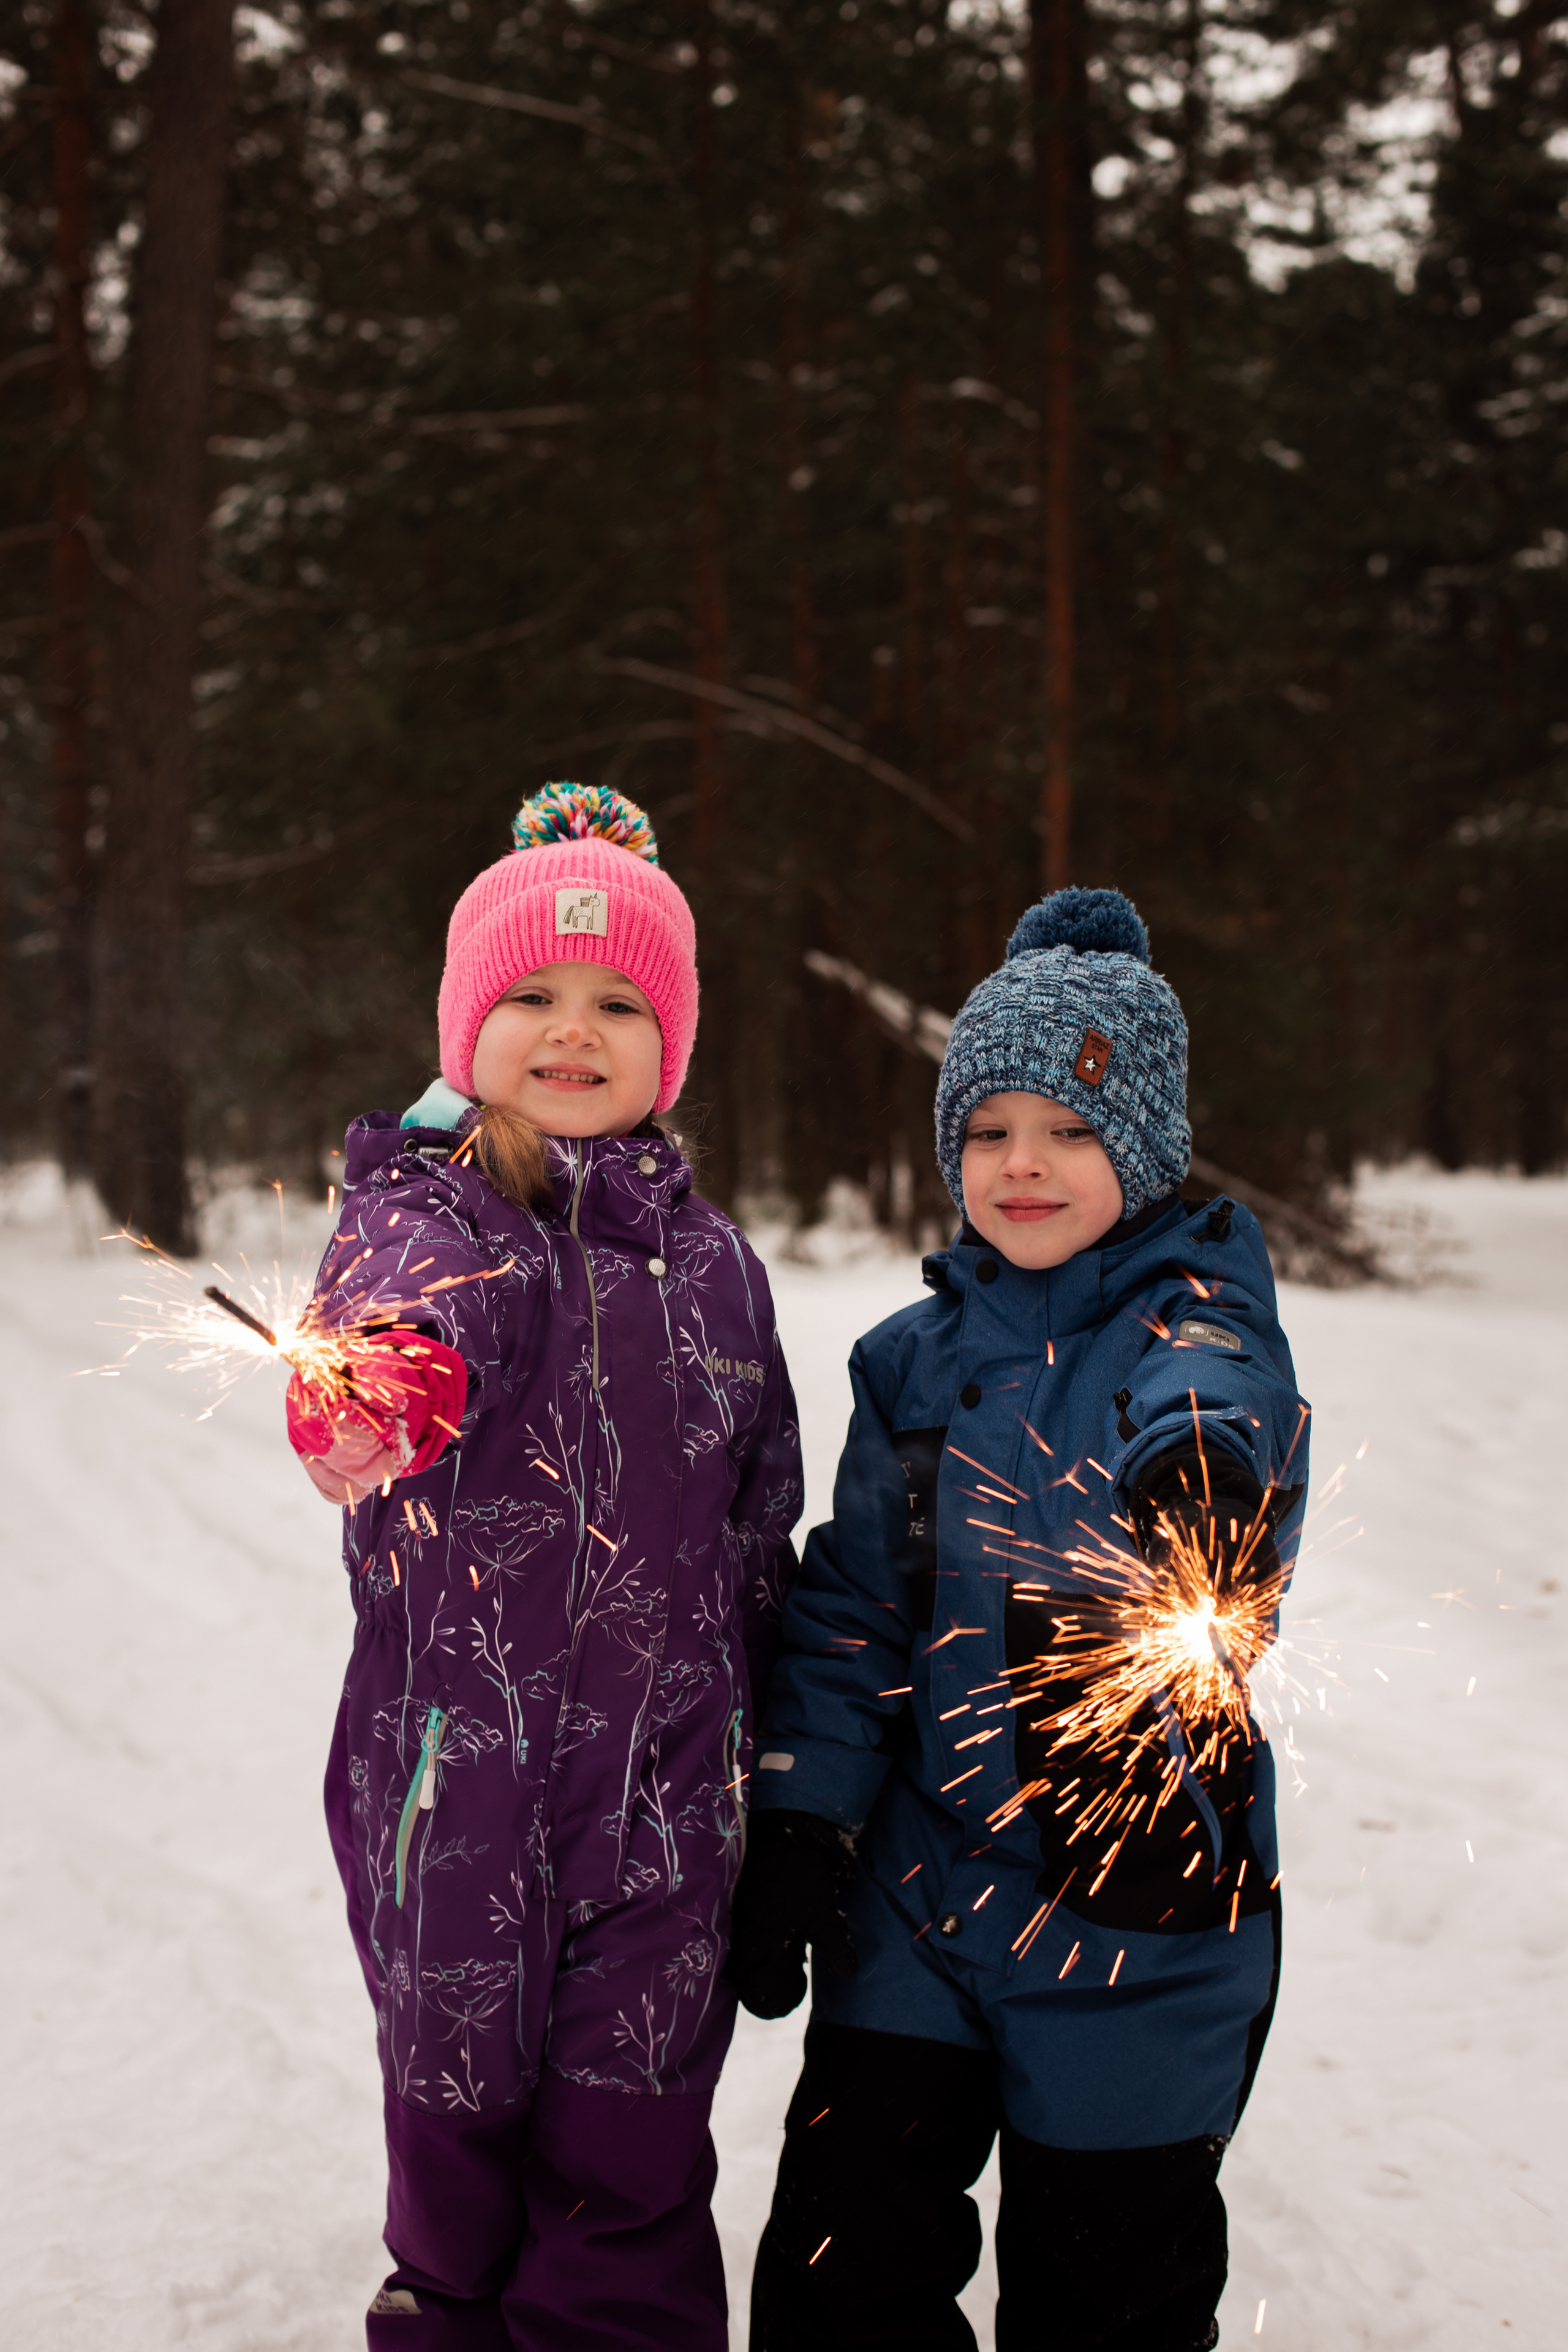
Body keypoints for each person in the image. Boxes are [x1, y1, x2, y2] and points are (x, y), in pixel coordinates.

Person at [728, 887, 1310, 2352]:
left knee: (1106, 2293)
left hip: (1132, 1910)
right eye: (986, 1131)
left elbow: (1217, 1398)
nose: (1021, 1164)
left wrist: (1196, 1477)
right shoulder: (909, 1365)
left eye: (1068, 1130)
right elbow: (854, 1607)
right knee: (839, 2269)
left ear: (1144, 1148)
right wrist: (799, 1817)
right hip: (915, 1901)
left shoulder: (1196, 1325)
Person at [284, 783, 802, 2351]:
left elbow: (758, 1518)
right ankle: (448, 2314)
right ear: (467, 1027)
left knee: (630, 2141)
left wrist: (772, 1761)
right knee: (458, 2125)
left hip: (667, 1792)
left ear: (670, 1046)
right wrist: (372, 1395)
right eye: (531, 996)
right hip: (454, 1784)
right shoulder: (428, 1218)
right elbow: (388, 1341)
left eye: (618, 1004)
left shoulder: (716, 1267)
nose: (573, 1030)